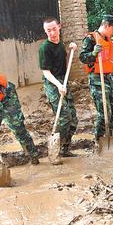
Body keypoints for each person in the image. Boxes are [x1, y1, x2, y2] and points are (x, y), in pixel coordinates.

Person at [39, 17, 78, 161]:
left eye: (54, 29)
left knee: (73, 119)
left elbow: (65, 65)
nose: (51, 33)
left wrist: (71, 49)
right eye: (48, 30)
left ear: (59, 27)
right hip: (52, 83)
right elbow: (46, 72)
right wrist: (58, 85)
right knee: (64, 117)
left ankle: (65, 149)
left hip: (63, 81)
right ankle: (56, 147)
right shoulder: (45, 48)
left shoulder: (60, 45)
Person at [79, 14, 113, 146]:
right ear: (106, 25)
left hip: (109, 77)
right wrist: (93, 53)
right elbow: (83, 57)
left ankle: (109, 137)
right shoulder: (91, 39)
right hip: (97, 78)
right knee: (104, 111)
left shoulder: (108, 39)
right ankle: (99, 140)